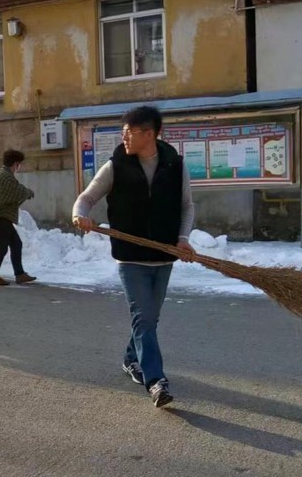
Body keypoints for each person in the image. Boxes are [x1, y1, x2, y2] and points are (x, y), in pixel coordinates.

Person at [72, 106, 196, 409]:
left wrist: (183, 239)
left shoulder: (174, 165)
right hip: (130, 259)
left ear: (149, 134)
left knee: (148, 319)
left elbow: (187, 206)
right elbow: (86, 199)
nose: (124, 137)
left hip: (164, 256)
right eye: (123, 132)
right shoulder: (115, 166)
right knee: (144, 317)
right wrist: (80, 216)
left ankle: (131, 358)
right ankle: (156, 381)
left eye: (129, 132)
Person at [0, 149, 36, 286]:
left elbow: (14, 192)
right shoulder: (6, 177)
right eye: (19, 164)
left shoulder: (4, 175)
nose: (19, 167)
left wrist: (25, 193)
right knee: (1, 248)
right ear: (15, 163)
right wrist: (28, 192)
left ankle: (20, 274)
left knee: (15, 244)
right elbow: (17, 191)